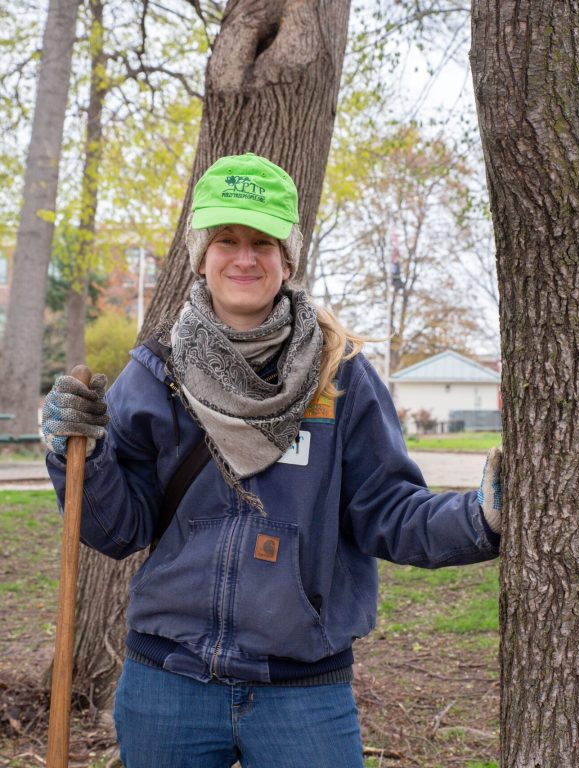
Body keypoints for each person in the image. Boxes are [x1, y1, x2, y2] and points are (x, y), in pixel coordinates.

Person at [42, 153, 503, 768]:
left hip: (302, 694)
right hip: (167, 683)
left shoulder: (341, 381)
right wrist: (78, 454)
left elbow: (387, 510)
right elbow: (115, 530)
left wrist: (482, 518)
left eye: (263, 241)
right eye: (226, 239)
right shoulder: (156, 373)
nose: (244, 257)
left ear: (288, 258)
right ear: (202, 256)